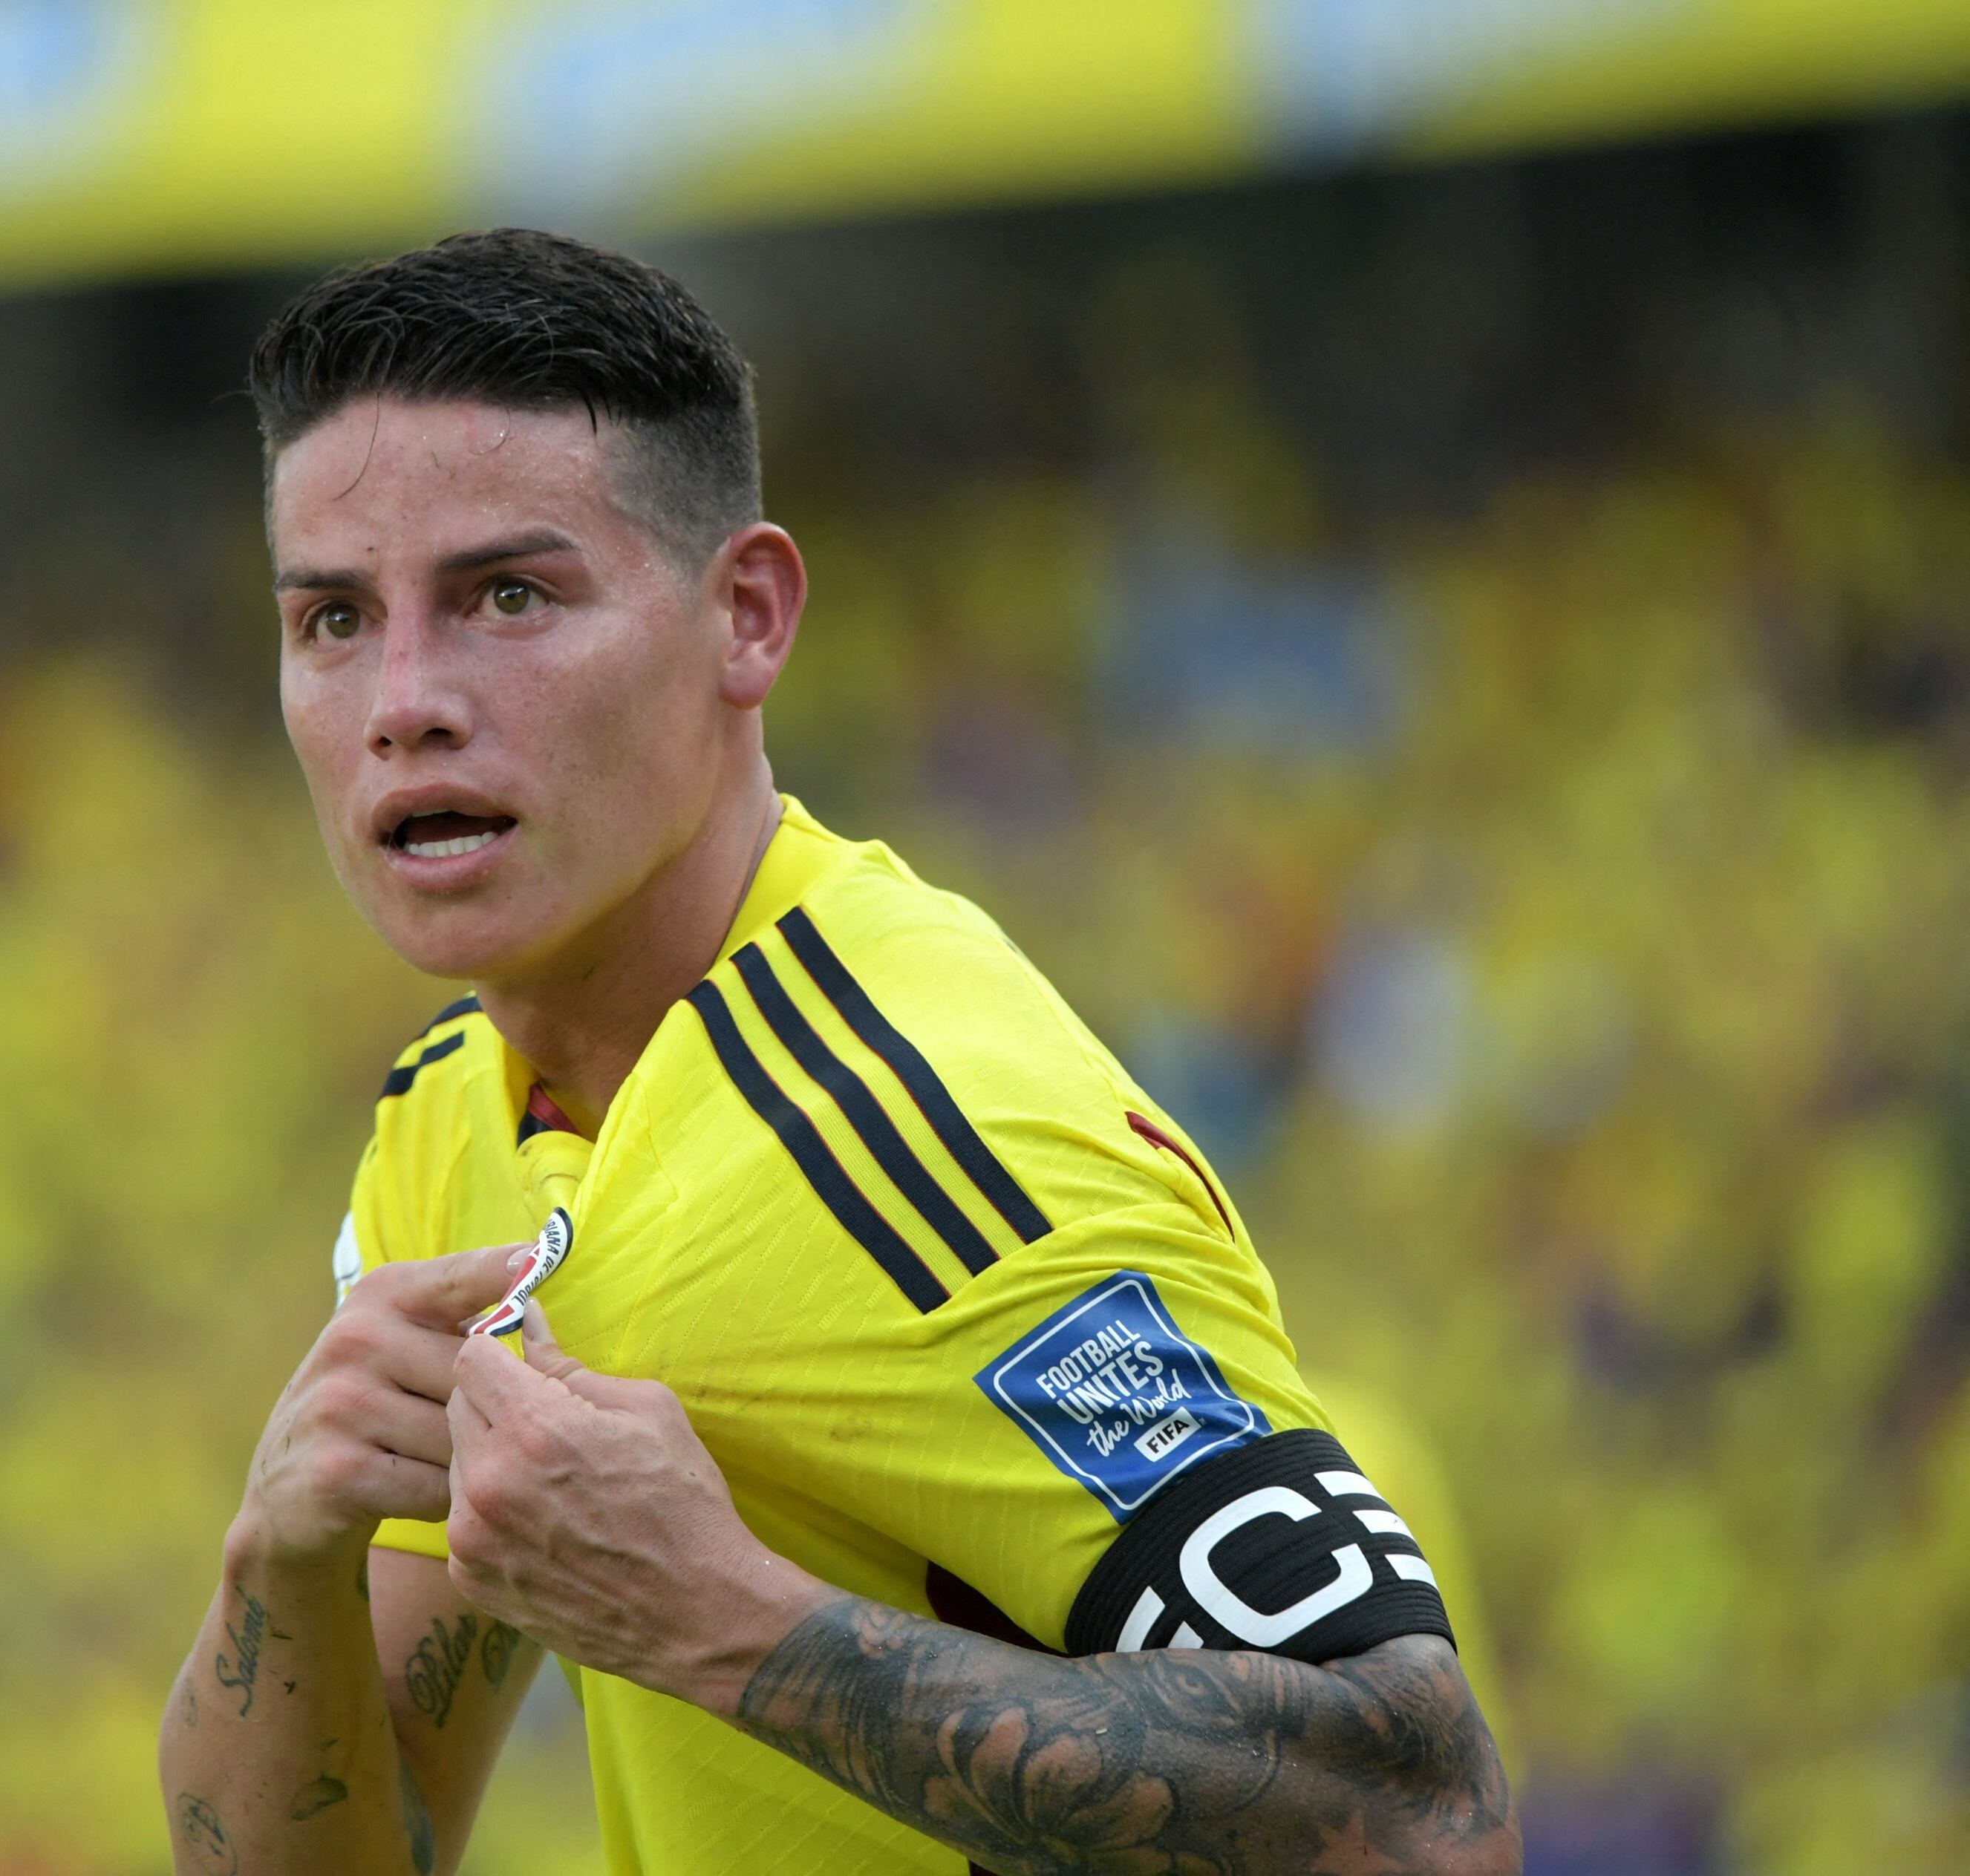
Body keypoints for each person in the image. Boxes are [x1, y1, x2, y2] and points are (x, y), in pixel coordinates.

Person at [157, 228, 1519, 1876]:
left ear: (744, 617)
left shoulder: (929, 1124)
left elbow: (1420, 1813)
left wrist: (718, 1618)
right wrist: (275, 1564)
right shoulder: (446, 1118)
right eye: (331, 620)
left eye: (507, 595)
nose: (405, 701)